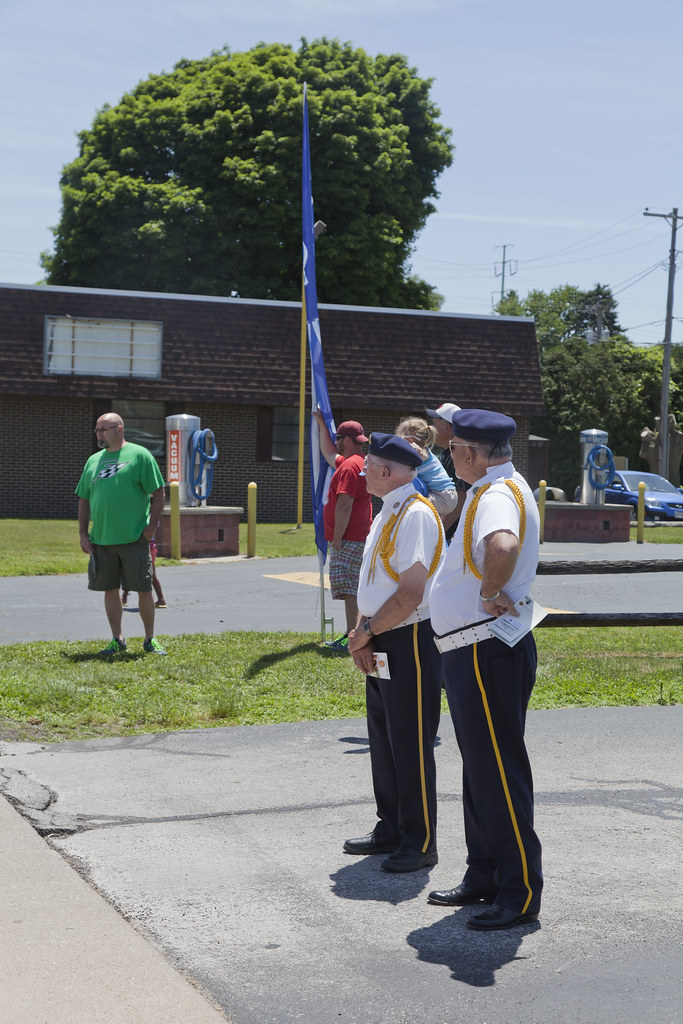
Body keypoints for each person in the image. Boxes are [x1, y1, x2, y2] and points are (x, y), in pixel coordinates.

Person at [427, 408, 542, 930]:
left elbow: (503, 545)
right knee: (481, 768)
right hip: (476, 647)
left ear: (472, 453)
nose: (448, 454)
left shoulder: (495, 494)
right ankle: (485, 873)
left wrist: (490, 590)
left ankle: (517, 892)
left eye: (452, 449)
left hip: (483, 649)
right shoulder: (498, 485)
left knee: (497, 770)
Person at [344, 433, 445, 872]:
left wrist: (366, 631)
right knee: (383, 738)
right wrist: (361, 630)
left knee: (410, 741)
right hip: (381, 634)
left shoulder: (416, 515)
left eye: (368, 465)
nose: (362, 470)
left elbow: (410, 592)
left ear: (386, 472)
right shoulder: (389, 511)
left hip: (410, 638)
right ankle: (391, 826)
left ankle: (420, 841)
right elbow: (376, 584)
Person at [76, 412, 168, 656]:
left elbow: (159, 492)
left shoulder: (140, 456)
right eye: (96, 429)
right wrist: (84, 535)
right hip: (102, 540)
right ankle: (117, 639)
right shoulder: (93, 461)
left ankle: (150, 640)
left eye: (103, 429)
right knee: (109, 589)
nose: (98, 434)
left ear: (119, 429)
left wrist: (150, 529)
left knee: (143, 588)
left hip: (134, 538)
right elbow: (84, 498)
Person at [313, 414, 373, 649]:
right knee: (353, 588)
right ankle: (354, 635)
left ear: (347, 440)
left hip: (349, 538)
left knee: (350, 589)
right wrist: (320, 424)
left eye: (338, 438)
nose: (336, 442)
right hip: (357, 536)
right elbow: (329, 454)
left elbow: (345, 503)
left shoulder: (349, 467)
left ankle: (354, 638)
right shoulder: (358, 461)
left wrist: (337, 538)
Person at [395, 416, 458, 515]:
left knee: (409, 505)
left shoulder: (417, 452)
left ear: (410, 440)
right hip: (446, 494)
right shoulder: (425, 451)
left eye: (400, 439)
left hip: (442, 496)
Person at [426, 402, 469, 541]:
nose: (431, 428)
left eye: (435, 423)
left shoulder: (455, 455)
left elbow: (460, 497)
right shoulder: (449, 453)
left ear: (446, 428)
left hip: (453, 537)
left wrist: (438, 533)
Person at [122, 534, 166, 609]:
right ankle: (161, 599)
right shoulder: (152, 522)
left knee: (132, 572)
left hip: (142, 548)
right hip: (149, 547)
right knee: (152, 575)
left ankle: (124, 598)